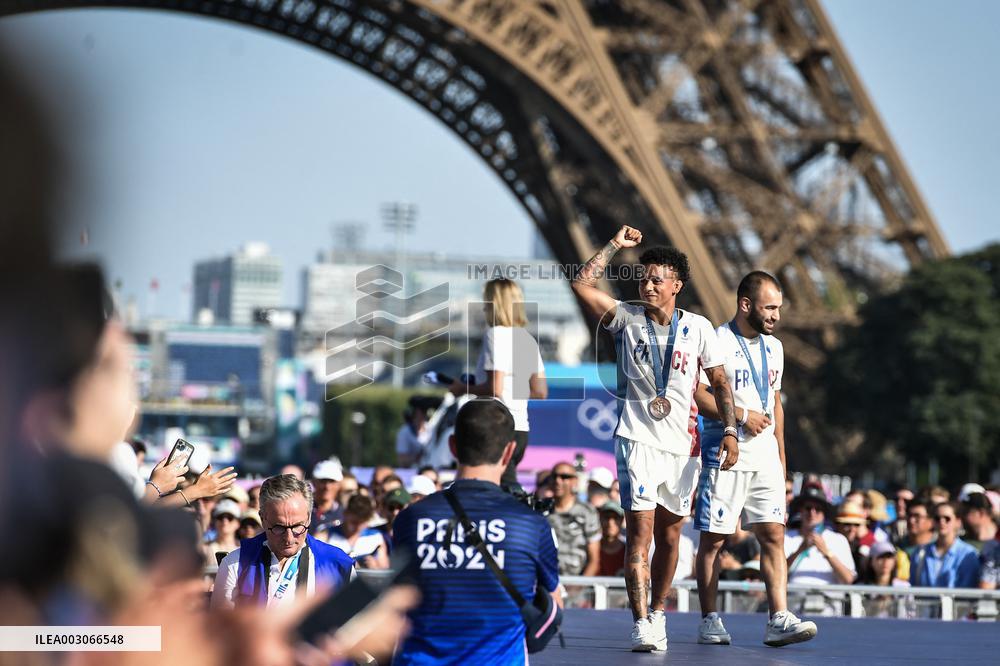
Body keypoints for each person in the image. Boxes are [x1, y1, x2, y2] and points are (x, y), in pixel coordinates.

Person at [571, 225, 738, 651]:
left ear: (677, 286)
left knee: (670, 538)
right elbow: (582, 283)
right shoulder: (626, 317)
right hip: (637, 439)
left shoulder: (699, 328)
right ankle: (641, 621)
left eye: (656, 279)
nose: (647, 284)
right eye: (643, 278)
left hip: (684, 447)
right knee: (640, 535)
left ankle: (660, 610)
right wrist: (613, 245)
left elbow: (719, 381)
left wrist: (732, 431)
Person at [692, 271, 816, 647]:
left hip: (764, 458)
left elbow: (775, 405)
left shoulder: (774, 347)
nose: (776, 315)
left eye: (779, 307)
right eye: (770, 307)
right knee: (715, 539)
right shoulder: (716, 341)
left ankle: (778, 616)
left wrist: (781, 458)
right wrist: (742, 416)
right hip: (726, 450)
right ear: (746, 305)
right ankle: (709, 619)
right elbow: (696, 393)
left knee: (774, 535)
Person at [393, 399, 561, 665]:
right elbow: (553, 604)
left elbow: (398, 600)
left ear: (452, 446)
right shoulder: (531, 525)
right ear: (510, 452)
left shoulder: (410, 519)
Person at [449, 278, 548, 491]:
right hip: (521, 429)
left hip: (497, 427)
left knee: (502, 490)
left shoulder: (495, 335)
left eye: (486, 301)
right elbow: (540, 391)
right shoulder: (527, 339)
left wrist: (462, 389)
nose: (484, 306)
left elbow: (495, 388)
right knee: (502, 488)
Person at [211, 474, 355, 609]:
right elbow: (220, 631)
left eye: (298, 526)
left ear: (309, 517)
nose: (289, 538)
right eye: (279, 527)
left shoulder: (338, 564)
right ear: (262, 518)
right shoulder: (235, 564)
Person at [784, 485, 856, 615]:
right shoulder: (787, 538)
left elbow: (848, 579)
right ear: (800, 510)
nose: (812, 513)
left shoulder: (838, 539)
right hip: (794, 610)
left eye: (818, 509)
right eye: (808, 508)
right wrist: (800, 550)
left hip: (830, 610)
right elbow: (777, 574)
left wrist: (826, 553)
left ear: (824, 514)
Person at [910, 501, 980, 589]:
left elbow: (969, 590)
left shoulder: (968, 554)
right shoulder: (920, 552)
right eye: (937, 518)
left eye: (947, 518)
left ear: (958, 522)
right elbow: (913, 587)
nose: (942, 522)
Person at [547, 461, 601, 576]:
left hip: (577, 585)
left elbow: (594, 560)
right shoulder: (542, 511)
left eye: (564, 477)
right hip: (547, 585)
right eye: (554, 476)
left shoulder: (587, 512)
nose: (558, 481)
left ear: (574, 481)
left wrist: (578, 588)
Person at [323, 494, 390, 570]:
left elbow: (385, 568)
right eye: (354, 522)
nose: (357, 527)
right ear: (345, 513)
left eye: (361, 523)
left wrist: (375, 567)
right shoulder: (327, 534)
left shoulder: (376, 537)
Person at [203, 498, 243, 566]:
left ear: (238, 523)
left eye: (230, 517)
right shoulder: (204, 549)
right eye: (220, 517)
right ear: (214, 521)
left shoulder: (244, 549)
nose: (225, 521)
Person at [309, 459, 343, 535]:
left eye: (332, 481)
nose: (327, 487)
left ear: (339, 484)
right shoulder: (304, 511)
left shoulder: (344, 514)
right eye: (323, 481)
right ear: (314, 482)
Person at [597, 501, 628, 577]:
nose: (610, 523)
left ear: (621, 520)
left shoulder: (628, 551)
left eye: (615, 518)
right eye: (606, 517)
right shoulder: (592, 550)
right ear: (600, 519)